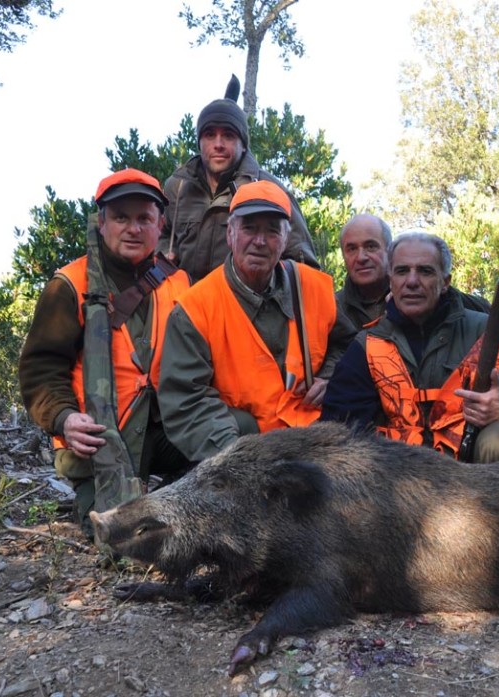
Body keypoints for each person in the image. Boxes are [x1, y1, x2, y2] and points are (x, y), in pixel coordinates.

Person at [19, 168, 193, 536]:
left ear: (160, 225)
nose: (133, 228)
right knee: (120, 541)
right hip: (97, 441)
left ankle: (163, 493)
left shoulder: (179, 282)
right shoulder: (68, 284)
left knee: (239, 434)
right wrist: (65, 419)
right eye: (121, 217)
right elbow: (41, 367)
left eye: (144, 218)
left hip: (163, 429)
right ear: (101, 223)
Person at [158, 180, 357, 464]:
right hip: (244, 446)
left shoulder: (314, 286)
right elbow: (186, 401)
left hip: (317, 438)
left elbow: (348, 344)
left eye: (272, 230)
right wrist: (238, 459)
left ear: (286, 239)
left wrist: (329, 374)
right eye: (250, 228)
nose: (260, 241)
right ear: (230, 234)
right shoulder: (194, 308)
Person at [320, 232, 499, 463]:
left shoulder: (484, 333)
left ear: (445, 282)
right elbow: (338, 427)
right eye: (402, 271)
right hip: (395, 480)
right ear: (391, 280)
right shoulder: (367, 344)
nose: (411, 281)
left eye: (425, 271)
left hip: (473, 477)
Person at [159, 75, 319, 281]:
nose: (218, 144)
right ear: (199, 142)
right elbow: (158, 234)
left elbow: (303, 264)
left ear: (243, 144)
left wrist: (264, 286)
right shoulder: (178, 187)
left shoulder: (269, 190)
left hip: (244, 309)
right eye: (209, 135)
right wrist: (162, 255)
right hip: (186, 307)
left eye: (228, 135)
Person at [336, 213, 490, 329]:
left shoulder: (428, 293)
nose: (361, 257)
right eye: (351, 249)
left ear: (390, 251)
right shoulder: (333, 309)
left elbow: (490, 314)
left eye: (371, 246)